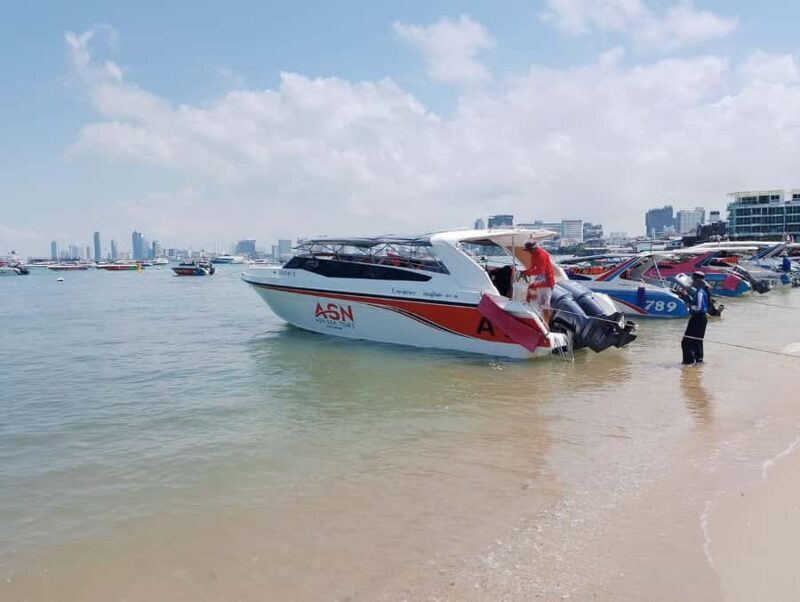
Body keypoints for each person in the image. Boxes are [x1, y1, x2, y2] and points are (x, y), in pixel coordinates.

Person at [522, 240, 556, 322]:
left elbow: (540, 271)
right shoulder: (534, 254)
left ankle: (547, 324)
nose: (529, 252)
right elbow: (533, 267)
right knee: (531, 295)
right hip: (540, 281)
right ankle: (535, 318)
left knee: (545, 305)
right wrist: (527, 271)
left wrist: (527, 272)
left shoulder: (542, 255)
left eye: (529, 250)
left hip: (547, 282)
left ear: (533, 249)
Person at [681, 271, 709, 365]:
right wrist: (686, 297)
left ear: (697, 281)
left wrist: (688, 305)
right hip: (700, 318)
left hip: (698, 318)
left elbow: (698, 308)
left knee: (686, 342)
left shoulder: (700, 292)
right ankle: (698, 362)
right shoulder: (701, 291)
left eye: (692, 280)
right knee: (697, 341)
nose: (691, 281)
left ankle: (688, 363)